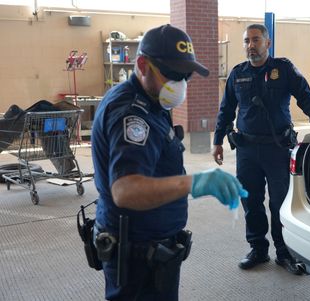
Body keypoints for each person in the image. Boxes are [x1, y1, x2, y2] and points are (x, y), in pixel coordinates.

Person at [91, 24, 248, 301]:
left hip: (154, 252)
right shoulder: (131, 113)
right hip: (137, 257)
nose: (180, 83)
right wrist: (195, 182)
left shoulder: (153, 101)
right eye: (172, 74)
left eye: (185, 75)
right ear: (142, 64)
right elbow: (126, 190)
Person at [212, 24, 310, 275]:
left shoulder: (283, 69)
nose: (251, 45)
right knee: (251, 200)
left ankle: (284, 252)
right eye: (247, 40)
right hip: (246, 149)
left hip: (277, 149)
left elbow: (305, 96)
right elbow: (226, 110)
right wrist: (217, 141)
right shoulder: (238, 74)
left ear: (267, 43)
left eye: (256, 40)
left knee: (280, 202)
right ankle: (258, 249)